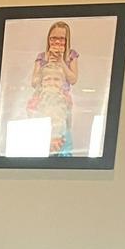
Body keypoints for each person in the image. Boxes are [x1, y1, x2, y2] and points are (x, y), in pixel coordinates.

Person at [28, 21, 79, 155]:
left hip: (62, 101)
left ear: (67, 40)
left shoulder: (71, 55)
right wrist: (46, 65)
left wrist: (61, 61)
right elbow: (34, 82)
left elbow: (73, 79)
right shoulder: (42, 57)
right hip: (44, 100)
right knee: (44, 135)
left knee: (62, 133)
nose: (57, 42)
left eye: (61, 39)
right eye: (53, 38)